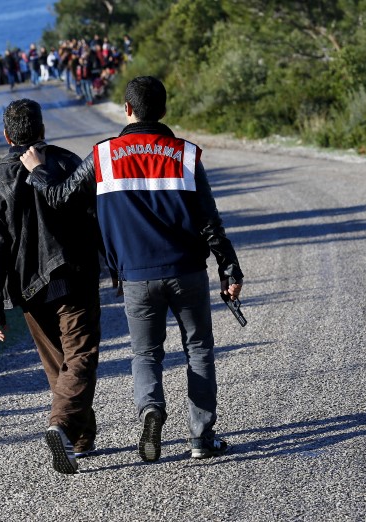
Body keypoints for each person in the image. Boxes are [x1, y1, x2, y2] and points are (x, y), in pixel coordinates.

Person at [21, 76, 244, 462]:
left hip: (136, 277)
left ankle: (151, 409)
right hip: (187, 271)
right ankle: (201, 440)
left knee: (145, 354)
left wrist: (39, 169)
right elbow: (210, 221)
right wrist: (229, 270)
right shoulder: (187, 155)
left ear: (127, 109)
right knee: (199, 351)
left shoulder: (103, 156)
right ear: (164, 109)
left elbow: (60, 198)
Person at [0, 99, 103, 475]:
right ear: (42, 129)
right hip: (73, 276)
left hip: (26, 289)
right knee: (79, 358)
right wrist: (111, 262)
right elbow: (94, 217)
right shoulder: (66, 162)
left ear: (6, 135)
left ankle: (79, 438)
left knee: (58, 365)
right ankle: (62, 427)